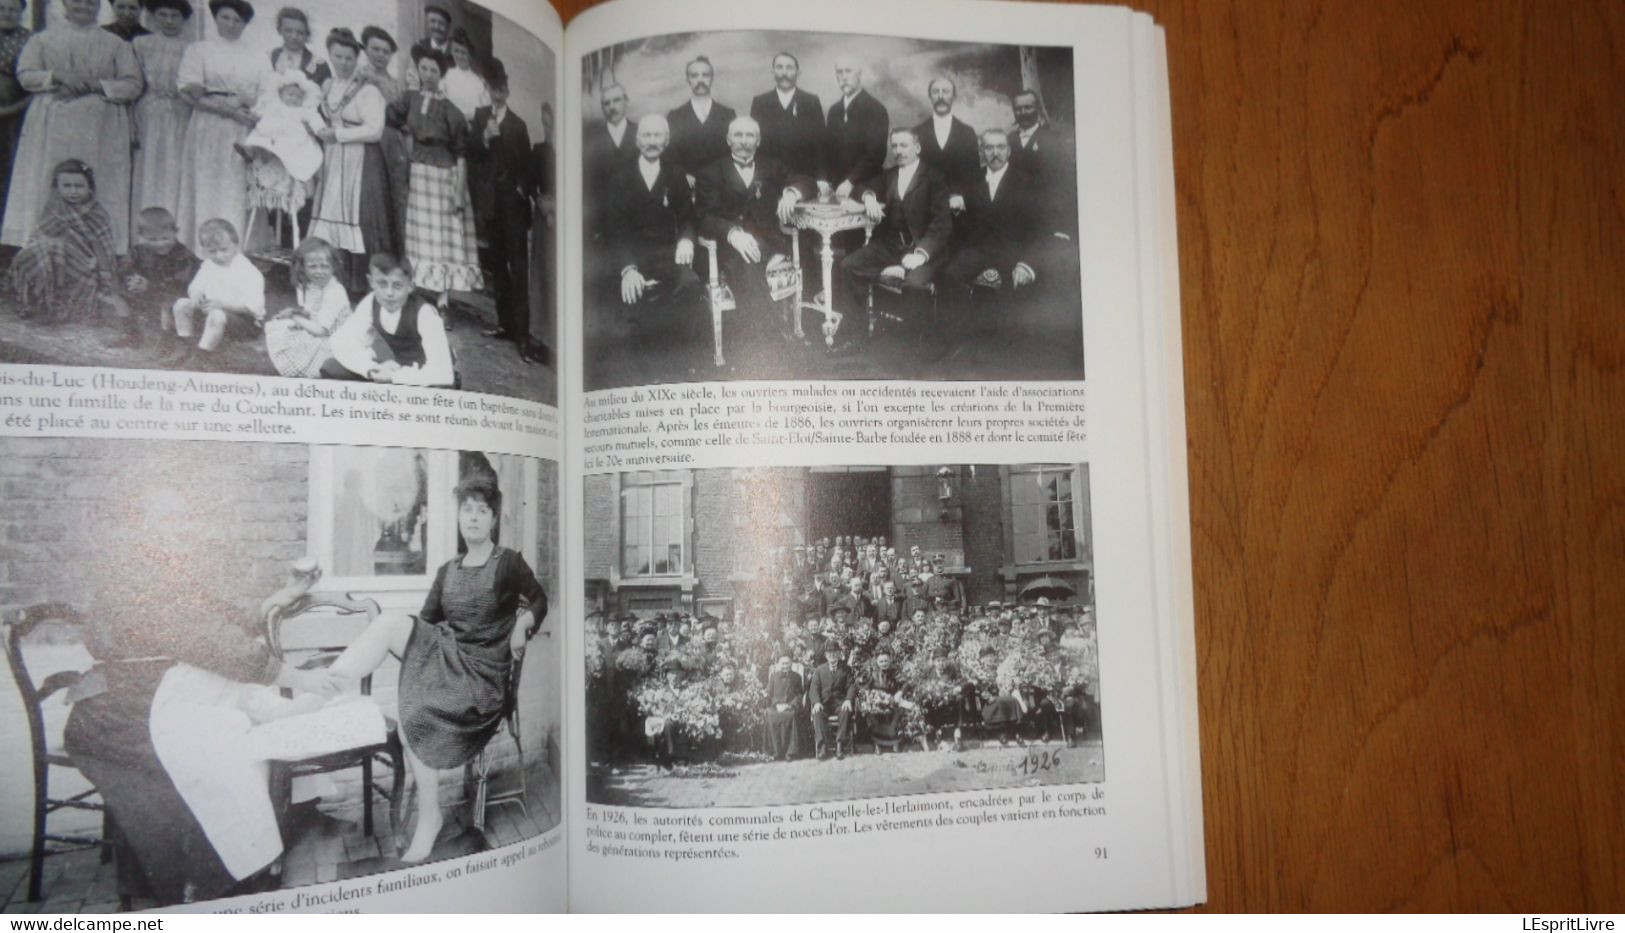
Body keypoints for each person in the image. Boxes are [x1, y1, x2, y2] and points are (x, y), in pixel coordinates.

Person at [61, 490, 347, 906]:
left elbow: (218, 619)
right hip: (113, 714)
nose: (184, 534)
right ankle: (219, 873)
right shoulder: (137, 573)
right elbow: (209, 641)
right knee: (217, 741)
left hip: (147, 697)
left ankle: (236, 860)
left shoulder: (168, 570)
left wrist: (279, 598)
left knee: (229, 730)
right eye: (174, 526)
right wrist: (295, 677)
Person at [306, 473, 548, 862]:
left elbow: (538, 599)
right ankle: (321, 690)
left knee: (413, 713)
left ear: (493, 518)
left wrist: (523, 623)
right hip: (451, 661)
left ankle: (429, 818)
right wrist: (425, 650)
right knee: (389, 625)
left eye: (481, 511)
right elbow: (426, 626)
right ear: (458, 517)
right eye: (466, 510)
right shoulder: (447, 571)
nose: (472, 518)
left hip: (483, 678)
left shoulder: (508, 564)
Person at [0, 0, 143, 255]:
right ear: (65, 5)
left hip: (100, 127)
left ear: (99, 7)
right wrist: (57, 77)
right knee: (50, 175)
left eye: (90, 3)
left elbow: (132, 84)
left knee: (97, 178)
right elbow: (25, 74)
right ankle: (46, 246)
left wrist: (94, 84)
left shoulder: (115, 44)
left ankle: (96, 248)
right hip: (52, 123)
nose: (84, 7)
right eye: (77, 2)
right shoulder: (42, 40)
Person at [837, 127, 952, 352]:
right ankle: (855, 336)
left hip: (925, 248)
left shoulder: (934, 177)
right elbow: (861, 187)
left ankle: (917, 346)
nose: (898, 151)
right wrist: (869, 198)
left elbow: (942, 226)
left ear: (917, 148)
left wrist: (920, 254)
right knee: (848, 266)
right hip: (891, 245)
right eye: (895, 146)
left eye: (904, 145)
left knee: (915, 285)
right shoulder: (889, 175)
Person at [693, 115, 808, 325]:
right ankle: (770, 337)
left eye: (749, 135)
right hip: (729, 247)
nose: (744, 141)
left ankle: (763, 337)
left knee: (753, 261)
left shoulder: (771, 166)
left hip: (769, 242)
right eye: (738, 135)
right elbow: (705, 217)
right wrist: (732, 233)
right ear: (728, 139)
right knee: (748, 264)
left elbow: (805, 181)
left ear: (758, 140)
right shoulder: (710, 173)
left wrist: (791, 193)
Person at [173, 0, 264, 258]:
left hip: (242, 126)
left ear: (245, 24)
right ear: (216, 18)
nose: (231, 25)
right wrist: (226, 109)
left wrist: (245, 104)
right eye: (226, 18)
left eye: (237, 20)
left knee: (235, 185)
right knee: (208, 183)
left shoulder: (257, 55)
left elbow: (267, 92)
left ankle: (239, 251)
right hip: (209, 124)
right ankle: (204, 250)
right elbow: (189, 91)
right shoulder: (199, 50)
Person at [8, 159, 132, 340]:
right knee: (41, 250)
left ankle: (62, 309)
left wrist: (104, 271)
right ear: (57, 187)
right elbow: (40, 234)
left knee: (53, 249)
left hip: (85, 263)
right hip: (54, 262)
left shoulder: (97, 212)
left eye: (79, 186)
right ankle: (42, 305)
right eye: (66, 185)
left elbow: (101, 246)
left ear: (90, 187)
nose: (73, 191)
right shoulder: (54, 207)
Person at [306, 27, 390, 292]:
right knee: (331, 211)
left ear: (357, 59)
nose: (343, 63)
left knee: (359, 216)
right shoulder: (329, 86)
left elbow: (375, 131)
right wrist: (319, 128)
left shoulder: (368, 91)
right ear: (330, 56)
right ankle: (332, 281)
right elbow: (314, 112)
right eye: (338, 57)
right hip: (334, 159)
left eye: (348, 58)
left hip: (362, 161)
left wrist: (338, 134)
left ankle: (360, 285)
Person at [939, 127, 1040, 346]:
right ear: (981, 151)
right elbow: (967, 219)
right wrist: (957, 205)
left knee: (1009, 293)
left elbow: (1037, 229)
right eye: (989, 147)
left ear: (1009, 151)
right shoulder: (972, 180)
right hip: (979, 248)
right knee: (950, 275)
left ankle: (1006, 345)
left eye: (1000, 147)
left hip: (1011, 250)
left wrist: (1027, 263)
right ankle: (960, 340)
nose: (995, 152)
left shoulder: (1026, 181)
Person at [395, 45, 482, 299]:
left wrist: (457, 194)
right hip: (419, 176)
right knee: (419, 237)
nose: (428, 74)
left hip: (444, 176)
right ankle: (416, 293)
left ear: (440, 74)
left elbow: (461, 155)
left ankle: (443, 301)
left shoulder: (450, 110)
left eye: (434, 70)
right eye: (424, 68)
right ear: (418, 70)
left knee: (443, 238)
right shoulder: (409, 99)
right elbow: (391, 119)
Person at [468, 57, 535, 357]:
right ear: (488, 89)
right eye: (494, 89)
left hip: (514, 209)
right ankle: (504, 324)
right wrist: (484, 137)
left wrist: (521, 191)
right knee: (497, 267)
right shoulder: (481, 117)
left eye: (503, 89)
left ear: (508, 90)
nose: (499, 94)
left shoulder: (518, 125)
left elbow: (528, 166)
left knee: (518, 269)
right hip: (491, 207)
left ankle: (523, 334)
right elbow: (471, 153)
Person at [607, 114, 697, 314]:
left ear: (666, 140)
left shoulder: (676, 173)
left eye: (657, 136)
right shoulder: (620, 178)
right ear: (638, 140)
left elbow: (687, 217)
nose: (652, 142)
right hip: (632, 257)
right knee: (626, 311)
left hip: (667, 255)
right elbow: (615, 230)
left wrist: (686, 241)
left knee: (690, 285)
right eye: (646, 136)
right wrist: (628, 269)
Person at [327, 251, 456, 386]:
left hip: (424, 374)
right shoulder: (371, 302)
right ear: (371, 282)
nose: (389, 293)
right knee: (331, 367)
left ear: (410, 286)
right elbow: (341, 341)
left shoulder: (424, 313)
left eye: (397, 285)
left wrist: (395, 376)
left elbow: (443, 374)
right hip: (397, 367)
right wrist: (371, 368)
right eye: (382, 284)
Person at [129, 0, 195, 229]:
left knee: (175, 170)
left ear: (184, 19)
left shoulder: (192, 48)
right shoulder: (140, 44)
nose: (168, 21)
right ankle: (145, 229)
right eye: (162, 15)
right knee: (148, 169)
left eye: (174, 16)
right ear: (153, 17)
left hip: (180, 112)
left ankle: (174, 228)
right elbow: (134, 83)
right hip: (148, 112)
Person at [164, 216, 265, 363]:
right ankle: (185, 345)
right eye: (212, 251)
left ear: (236, 244)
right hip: (211, 314)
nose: (219, 256)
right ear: (204, 250)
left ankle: (202, 356)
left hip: (244, 322)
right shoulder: (208, 265)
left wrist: (222, 305)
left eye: (224, 250)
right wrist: (196, 295)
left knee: (217, 314)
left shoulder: (248, 271)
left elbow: (255, 308)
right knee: (181, 304)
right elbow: (197, 285)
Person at [264, 235, 349, 376]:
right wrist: (295, 312)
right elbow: (311, 312)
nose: (319, 272)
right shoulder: (312, 285)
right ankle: (287, 365)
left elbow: (321, 330)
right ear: (302, 268)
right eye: (312, 267)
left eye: (325, 266)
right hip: (317, 330)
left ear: (333, 266)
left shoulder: (335, 292)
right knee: (282, 326)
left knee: (295, 333)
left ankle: (301, 369)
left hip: (334, 341)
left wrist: (294, 317)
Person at [358, 25, 407, 257]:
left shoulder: (396, 84)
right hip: (366, 143)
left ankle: (391, 257)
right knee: (370, 201)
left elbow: (401, 116)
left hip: (391, 143)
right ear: (366, 50)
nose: (380, 55)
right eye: (375, 49)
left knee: (392, 200)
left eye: (385, 51)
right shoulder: (358, 76)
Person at [122, 206, 195, 344]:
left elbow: (181, 282)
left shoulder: (182, 254)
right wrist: (133, 279)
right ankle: (131, 334)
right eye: (153, 239)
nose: (160, 243)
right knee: (120, 295)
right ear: (141, 235)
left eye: (165, 238)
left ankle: (166, 340)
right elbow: (124, 268)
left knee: (167, 304)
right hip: (146, 291)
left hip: (173, 294)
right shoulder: (138, 251)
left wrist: (150, 285)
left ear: (176, 232)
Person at [238, 70, 325, 186]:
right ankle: (251, 152)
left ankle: (283, 164)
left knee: (292, 150)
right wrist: (255, 113)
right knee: (260, 137)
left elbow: (314, 118)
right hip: (271, 132)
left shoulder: (303, 110)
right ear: (280, 94)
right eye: (290, 95)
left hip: (291, 136)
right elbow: (261, 111)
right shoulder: (276, 106)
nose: (294, 99)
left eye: (298, 97)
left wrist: (320, 128)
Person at [748, 51, 823, 179]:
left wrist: (821, 178)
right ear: (772, 71)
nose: (784, 73)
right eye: (779, 67)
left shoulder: (811, 101)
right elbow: (754, 143)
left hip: (804, 176)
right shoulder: (760, 102)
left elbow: (821, 144)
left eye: (789, 68)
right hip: (769, 176)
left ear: (798, 72)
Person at [821, 57, 886, 200]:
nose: (843, 77)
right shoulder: (834, 111)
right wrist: (824, 179)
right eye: (839, 72)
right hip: (837, 188)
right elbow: (827, 150)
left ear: (859, 75)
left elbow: (876, 155)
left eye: (848, 71)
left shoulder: (875, 109)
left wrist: (850, 181)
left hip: (867, 186)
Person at [666, 55, 734, 181]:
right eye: (694, 75)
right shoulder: (675, 116)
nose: (700, 80)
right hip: (687, 187)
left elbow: (733, 153)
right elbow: (670, 156)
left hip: (721, 186)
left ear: (712, 78)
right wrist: (682, 175)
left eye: (705, 75)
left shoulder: (728, 115)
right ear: (688, 80)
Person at [913, 76, 980, 199]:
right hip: (926, 205)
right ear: (929, 97)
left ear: (954, 97)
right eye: (935, 92)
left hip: (959, 206)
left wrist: (960, 195)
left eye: (945, 91)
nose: (940, 96)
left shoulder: (967, 133)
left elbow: (974, 174)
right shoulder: (917, 132)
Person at [0, 0, 32, 224]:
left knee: (9, 170)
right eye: (1, 8)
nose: (7, 13)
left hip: (15, 115)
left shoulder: (30, 40)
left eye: (13, 9)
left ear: (21, 12)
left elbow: (34, 83)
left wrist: (13, 108)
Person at [807, 644, 855, 759]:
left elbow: (851, 686)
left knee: (845, 711)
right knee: (817, 713)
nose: (832, 655)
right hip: (824, 703)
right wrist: (817, 702)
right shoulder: (819, 670)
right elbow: (814, 688)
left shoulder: (846, 669)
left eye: (835, 653)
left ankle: (840, 745)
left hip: (839, 703)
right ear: (826, 655)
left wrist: (848, 700)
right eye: (829, 653)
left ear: (839, 654)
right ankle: (822, 747)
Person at [266, 6, 328, 87]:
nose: (294, 36)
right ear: (280, 30)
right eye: (288, 31)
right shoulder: (269, 58)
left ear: (307, 35)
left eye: (300, 32)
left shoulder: (319, 65)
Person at [440, 27, 488, 122]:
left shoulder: (478, 81)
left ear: (470, 55)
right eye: (456, 51)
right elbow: (440, 104)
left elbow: (484, 110)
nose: (459, 56)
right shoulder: (446, 75)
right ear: (452, 52)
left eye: (463, 53)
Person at [402, 2, 450, 91]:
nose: (436, 27)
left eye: (441, 23)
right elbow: (412, 82)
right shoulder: (420, 48)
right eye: (432, 21)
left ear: (448, 26)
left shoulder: (455, 53)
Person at [764, 653, 803, 761]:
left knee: (791, 716)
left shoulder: (796, 677)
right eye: (783, 664)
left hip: (790, 706)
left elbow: (800, 694)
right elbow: (769, 691)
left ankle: (790, 752)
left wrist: (790, 705)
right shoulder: (773, 676)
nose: (785, 666)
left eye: (787, 663)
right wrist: (775, 703)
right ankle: (775, 752)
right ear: (778, 664)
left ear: (791, 664)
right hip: (776, 705)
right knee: (770, 715)